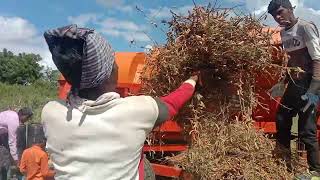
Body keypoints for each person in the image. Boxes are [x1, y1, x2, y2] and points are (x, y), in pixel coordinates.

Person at [41, 24, 199, 180]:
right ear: (107, 75)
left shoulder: (50, 112)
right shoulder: (138, 111)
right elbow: (172, 103)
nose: (117, 67)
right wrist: (192, 80)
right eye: (113, 64)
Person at [268, 0, 320, 178]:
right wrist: (282, 82)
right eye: (274, 15)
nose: (277, 17)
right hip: (295, 85)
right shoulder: (283, 34)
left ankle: (315, 173)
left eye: (280, 12)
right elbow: (291, 62)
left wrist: (313, 92)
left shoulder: (306, 27)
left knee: (307, 130)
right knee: (281, 119)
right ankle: (285, 167)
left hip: (312, 85)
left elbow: (317, 59)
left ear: (291, 9)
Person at [0, 107, 33, 180]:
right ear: (24, 116)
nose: (26, 121)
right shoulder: (14, 121)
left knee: (6, 153)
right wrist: (17, 161)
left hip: (2, 135)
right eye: (27, 118)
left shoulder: (13, 115)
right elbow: (12, 142)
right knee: (5, 158)